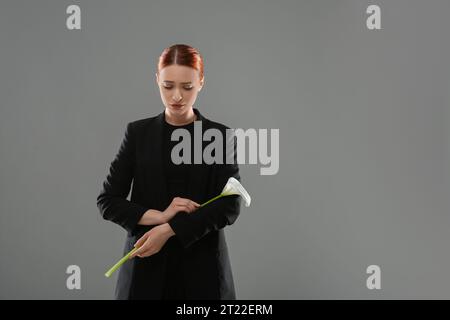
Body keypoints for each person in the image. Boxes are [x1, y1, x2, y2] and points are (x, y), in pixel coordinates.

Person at [96, 44, 242, 300]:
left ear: (201, 82)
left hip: (203, 274)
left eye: (187, 87)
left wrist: (169, 229)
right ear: (157, 80)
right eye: (168, 86)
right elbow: (108, 201)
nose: (177, 96)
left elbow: (230, 205)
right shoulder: (137, 133)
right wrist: (159, 216)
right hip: (145, 271)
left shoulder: (219, 136)